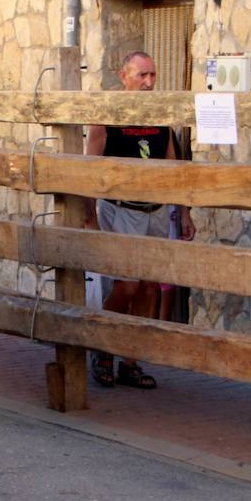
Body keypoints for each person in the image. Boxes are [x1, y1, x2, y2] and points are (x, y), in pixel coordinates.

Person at [82, 51, 195, 390]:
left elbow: (173, 167)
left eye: (153, 76)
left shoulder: (161, 117)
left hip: (156, 211)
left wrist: (185, 211)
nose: (148, 83)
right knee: (127, 284)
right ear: (124, 76)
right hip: (122, 209)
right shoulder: (107, 118)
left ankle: (130, 360)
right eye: (142, 75)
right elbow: (88, 170)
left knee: (148, 286)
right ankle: (102, 348)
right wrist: (89, 215)